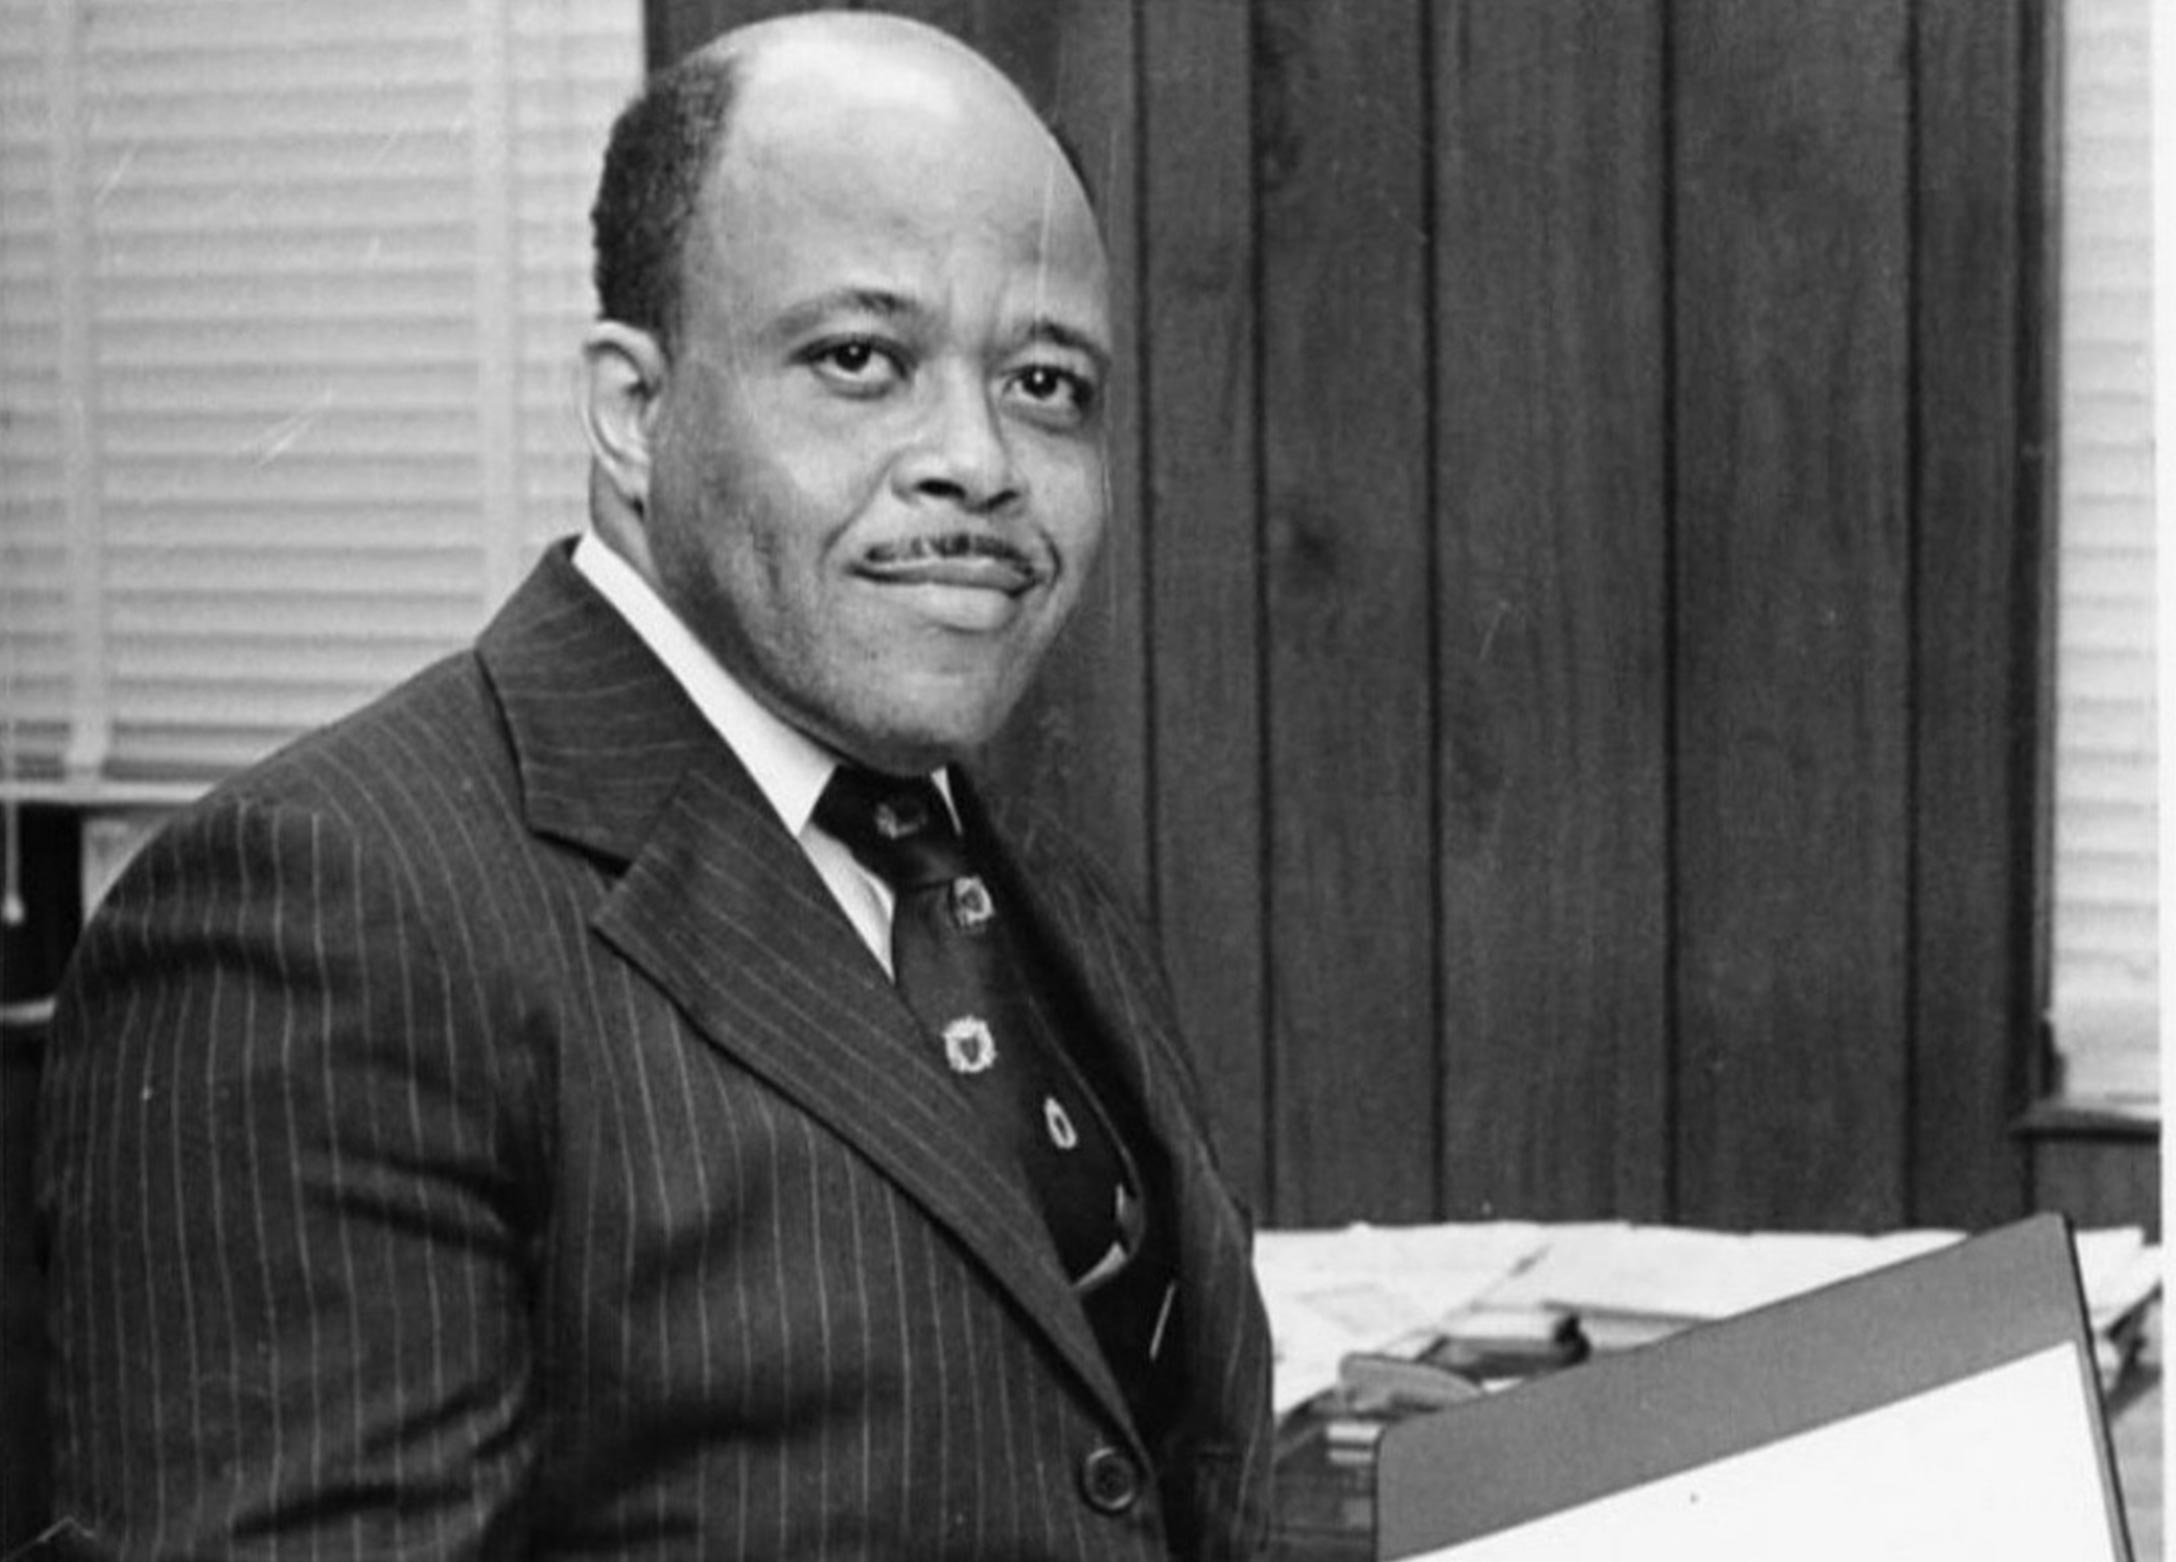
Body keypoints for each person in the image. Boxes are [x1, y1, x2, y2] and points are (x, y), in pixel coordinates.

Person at [34, 12, 1274, 1559]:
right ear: (634, 411)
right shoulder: (332, 907)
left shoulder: (1010, 866)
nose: (979, 459)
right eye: (859, 360)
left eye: (1044, 381)